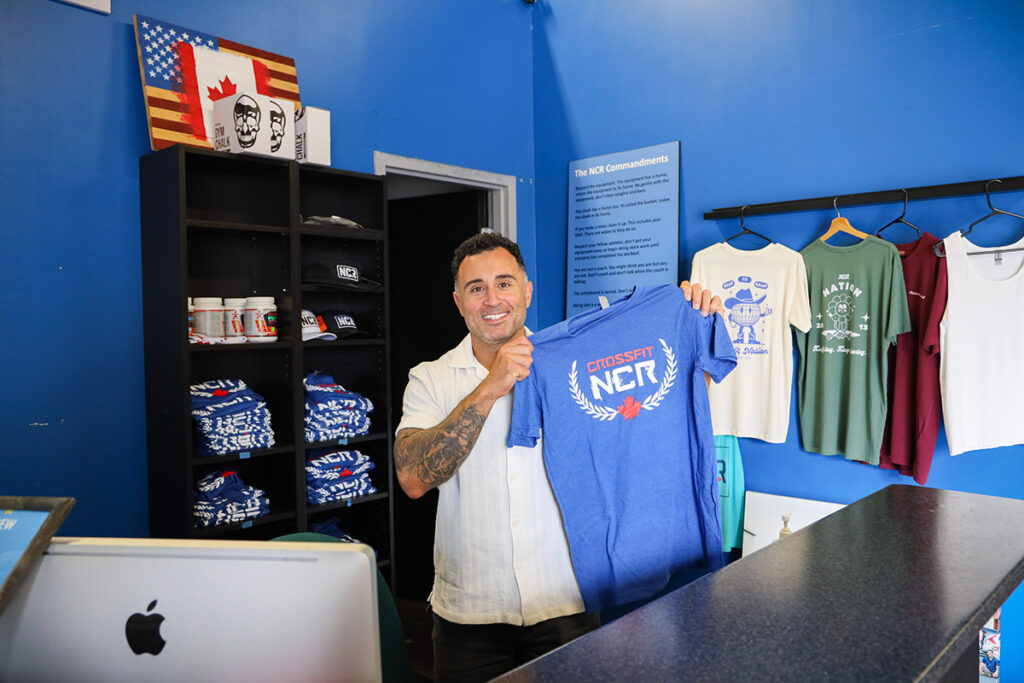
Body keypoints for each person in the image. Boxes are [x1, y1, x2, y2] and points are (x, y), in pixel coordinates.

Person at [394, 232, 723, 682]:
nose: (492, 298)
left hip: (564, 605)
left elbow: (666, 414)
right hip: (469, 612)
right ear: (458, 301)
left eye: (504, 283)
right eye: (476, 288)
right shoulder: (430, 379)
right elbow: (412, 478)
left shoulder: (575, 365)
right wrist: (492, 386)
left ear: (527, 290)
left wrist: (694, 324)